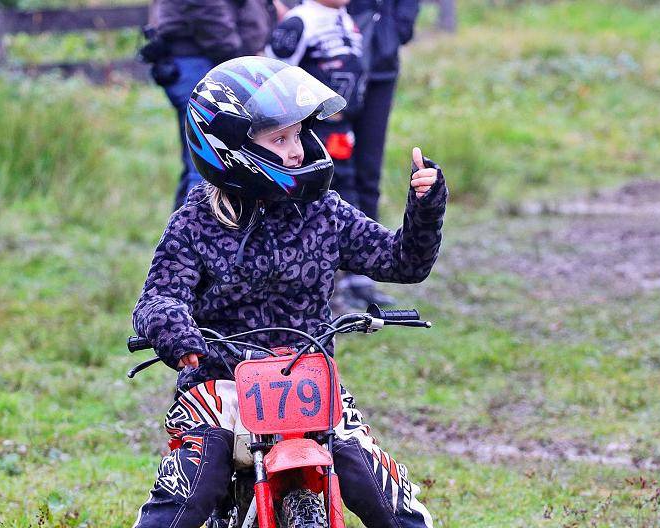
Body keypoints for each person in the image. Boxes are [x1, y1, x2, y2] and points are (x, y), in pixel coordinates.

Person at [131, 56, 446, 528]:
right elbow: (158, 298)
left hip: (307, 379)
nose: (298, 150)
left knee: (366, 478)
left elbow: (401, 261)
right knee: (195, 482)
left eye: (299, 134)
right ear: (230, 148)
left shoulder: (322, 211)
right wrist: (174, 330)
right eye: (280, 139)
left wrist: (425, 207)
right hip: (222, 384)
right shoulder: (196, 221)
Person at [264, 0, 375, 309]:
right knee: (313, 206)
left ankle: (355, 281)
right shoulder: (300, 21)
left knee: (347, 196)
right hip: (311, 133)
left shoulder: (348, 20)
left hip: (344, 128)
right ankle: (322, 292)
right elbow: (273, 75)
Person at [141, 0, 277, 210]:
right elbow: (205, 9)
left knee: (198, 161)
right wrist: (239, 59)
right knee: (208, 163)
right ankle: (199, 237)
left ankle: (180, 236)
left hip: (204, 58)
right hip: (201, 59)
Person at [343, 0, 420, 306]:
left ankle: (362, 277)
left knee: (368, 172)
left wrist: (396, 29)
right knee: (334, 173)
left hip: (381, 66)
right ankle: (334, 278)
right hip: (333, 68)